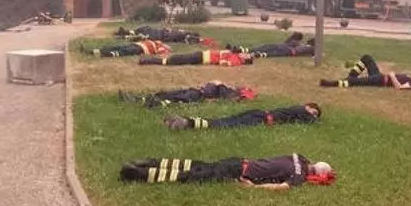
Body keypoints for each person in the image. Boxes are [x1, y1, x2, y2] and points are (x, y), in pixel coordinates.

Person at [119, 153, 336, 190]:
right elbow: (282, 187)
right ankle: (137, 174)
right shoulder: (299, 177)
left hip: (240, 162)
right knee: (192, 176)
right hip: (239, 173)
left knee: (193, 165)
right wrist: (253, 188)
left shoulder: (298, 157)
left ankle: (148, 162)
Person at [163, 102, 321, 130]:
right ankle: (186, 123)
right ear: (309, 107)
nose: (313, 115)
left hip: (259, 113)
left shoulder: (296, 109)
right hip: (260, 119)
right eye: (314, 112)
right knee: (225, 125)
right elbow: (312, 122)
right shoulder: (302, 110)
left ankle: (185, 120)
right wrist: (314, 117)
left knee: (224, 121)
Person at [319, 54, 411, 90]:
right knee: (367, 58)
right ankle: (350, 78)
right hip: (379, 76)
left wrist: (392, 76)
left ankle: (330, 84)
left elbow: (399, 88)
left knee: (355, 82)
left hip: (381, 81)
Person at [117, 81, 257, 109]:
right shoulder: (227, 88)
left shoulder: (227, 92)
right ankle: (138, 99)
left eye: (244, 88)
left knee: (176, 98)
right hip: (195, 90)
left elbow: (221, 99)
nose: (242, 85)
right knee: (167, 94)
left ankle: (153, 104)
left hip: (197, 95)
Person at [226, 33, 316, 58]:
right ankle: (244, 51)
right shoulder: (299, 43)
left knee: (267, 49)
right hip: (286, 49)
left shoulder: (308, 47)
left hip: (286, 49)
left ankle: (245, 51)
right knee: (268, 50)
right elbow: (287, 42)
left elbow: (314, 52)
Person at [138, 49, 253, 67]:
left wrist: (224, 57)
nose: (244, 53)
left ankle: (146, 60)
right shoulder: (235, 55)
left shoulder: (236, 60)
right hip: (202, 54)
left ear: (244, 60)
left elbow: (224, 63)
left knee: (173, 60)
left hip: (203, 58)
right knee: (177, 58)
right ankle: (147, 60)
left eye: (246, 56)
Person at [114, 25, 206, 44]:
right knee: (145, 29)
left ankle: (124, 36)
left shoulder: (183, 35)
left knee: (143, 35)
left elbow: (188, 38)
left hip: (159, 36)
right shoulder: (180, 34)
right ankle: (125, 33)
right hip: (159, 32)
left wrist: (199, 39)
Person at [84, 39, 170, 58]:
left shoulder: (163, 49)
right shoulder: (158, 42)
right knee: (117, 47)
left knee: (124, 51)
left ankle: (106, 54)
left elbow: (161, 53)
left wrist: (165, 48)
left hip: (141, 50)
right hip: (137, 44)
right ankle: (93, 51)